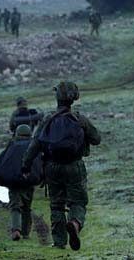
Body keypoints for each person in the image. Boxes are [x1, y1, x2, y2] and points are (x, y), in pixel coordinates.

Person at [22, 82, 101, 251]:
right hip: (75, 166)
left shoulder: (47, 119)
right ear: (74, 98)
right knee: (78, 202)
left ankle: (59, 243)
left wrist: (26, 166)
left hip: (52, 167)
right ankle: (75, 222)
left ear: (57, 98)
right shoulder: (80, 119)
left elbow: (34, 145)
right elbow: (97, 139)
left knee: (56, 205)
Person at [6, 124, 39, 241]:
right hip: (29, 181)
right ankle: (25, 233)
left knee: (15, 206)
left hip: (14, 182)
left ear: (17, 134)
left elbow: (5, 162)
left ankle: (16, 229)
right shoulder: (33, 146)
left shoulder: (12, 146)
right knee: (26, 207)